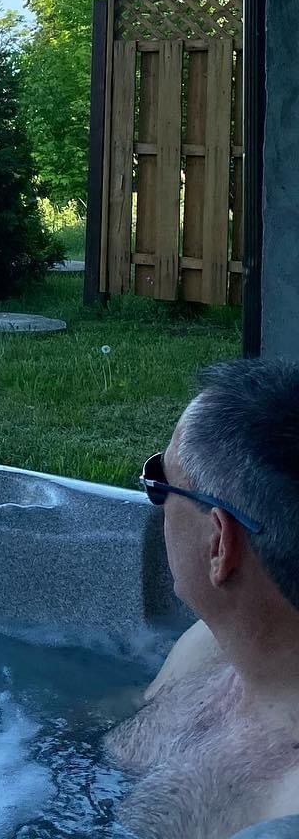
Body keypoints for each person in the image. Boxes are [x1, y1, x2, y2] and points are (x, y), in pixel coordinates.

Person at [106, 354, 299, 839]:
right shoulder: (213, 646)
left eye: (160, 483)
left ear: (220, 544)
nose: (157, 504)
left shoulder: (284, 805)